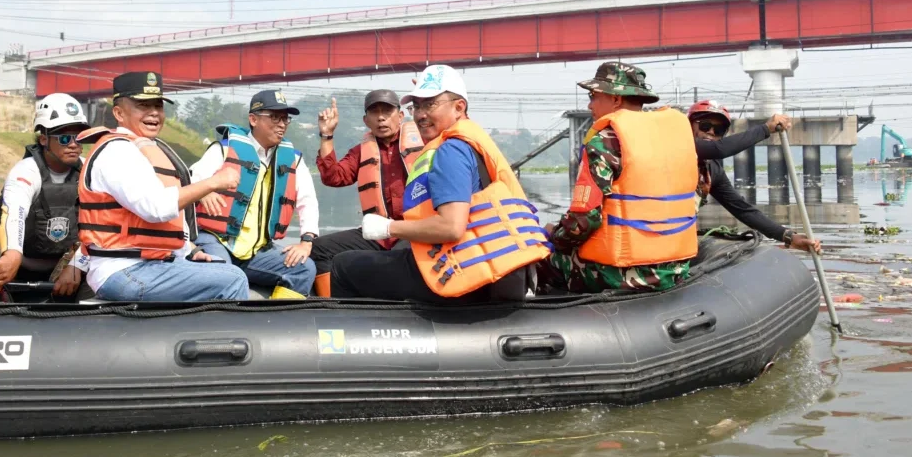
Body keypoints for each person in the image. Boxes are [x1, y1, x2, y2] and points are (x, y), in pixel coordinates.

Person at [330, 65, 549, 304]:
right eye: (417, 106)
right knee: (395, 254)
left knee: (343, 265)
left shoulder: (450, 151)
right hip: (500, 275)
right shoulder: (471, 140)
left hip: (466, 278)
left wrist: (388, 228)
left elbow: (451, 227)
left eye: (430, 104)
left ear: (459, 107)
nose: (421, 115)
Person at [72, 72, 249, 302]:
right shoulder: (118, 151)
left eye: (158, 105)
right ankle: (225, 338)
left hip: (149, 264)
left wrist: (190, 251)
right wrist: (213, 183)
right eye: (143, 105)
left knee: (218, 266)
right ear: (119, 113)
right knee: (234, 278)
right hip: (124, 271)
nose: (154, 112)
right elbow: (155, 208)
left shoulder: (146, 150)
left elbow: (165, 225)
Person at [544, 62, 698, 294]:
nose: (589, 104)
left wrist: (553, 236)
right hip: (675, 269)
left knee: (539, 257)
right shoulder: (675, 140)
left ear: (616, 99)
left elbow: (584, 222)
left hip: (622, 274)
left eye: (594, 95)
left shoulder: (605, 141)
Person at [190, 89, 320, 299]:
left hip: (258, 249)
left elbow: (308, 201)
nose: (282, 124)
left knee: (304, 268)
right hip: (216, 239)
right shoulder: (223, 150)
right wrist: (203, 191)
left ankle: (276, 323)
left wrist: (306, 242)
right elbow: (191, 179)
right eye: (275, 117)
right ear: (253, 119)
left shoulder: (293, 160)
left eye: (286, 119)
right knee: (224, 276)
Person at [309, 90, 425, 296]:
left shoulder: (425, 143)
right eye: (374, 112)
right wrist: (327, 135)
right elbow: (333, 177)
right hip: (379, 233)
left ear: (400, 116)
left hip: (414, 230)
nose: (381, 117)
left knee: (397, 261)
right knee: (319, 249)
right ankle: (331, 308)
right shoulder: (361, 151)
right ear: (366, 120)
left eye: (387, 112)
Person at [0, 93, 90, 298]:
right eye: (63, 138)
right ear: (44, 139)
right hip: (21, 266)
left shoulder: (90, 170)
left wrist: (77, 264)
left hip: (69, 267)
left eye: (79, 138)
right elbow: (14, 212)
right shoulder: (26, 171)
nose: (73, 145)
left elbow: (102, 227)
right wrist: (12, 254)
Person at [689, 100, 821, 253]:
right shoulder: (679, 148)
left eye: (718, 130)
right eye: (705, 125)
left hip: (681, 239)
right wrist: (765, 129)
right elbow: (719, 149)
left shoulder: (712, 170)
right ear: (690, 126)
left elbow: (743, 209)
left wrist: (789, 236)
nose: (711, 132)